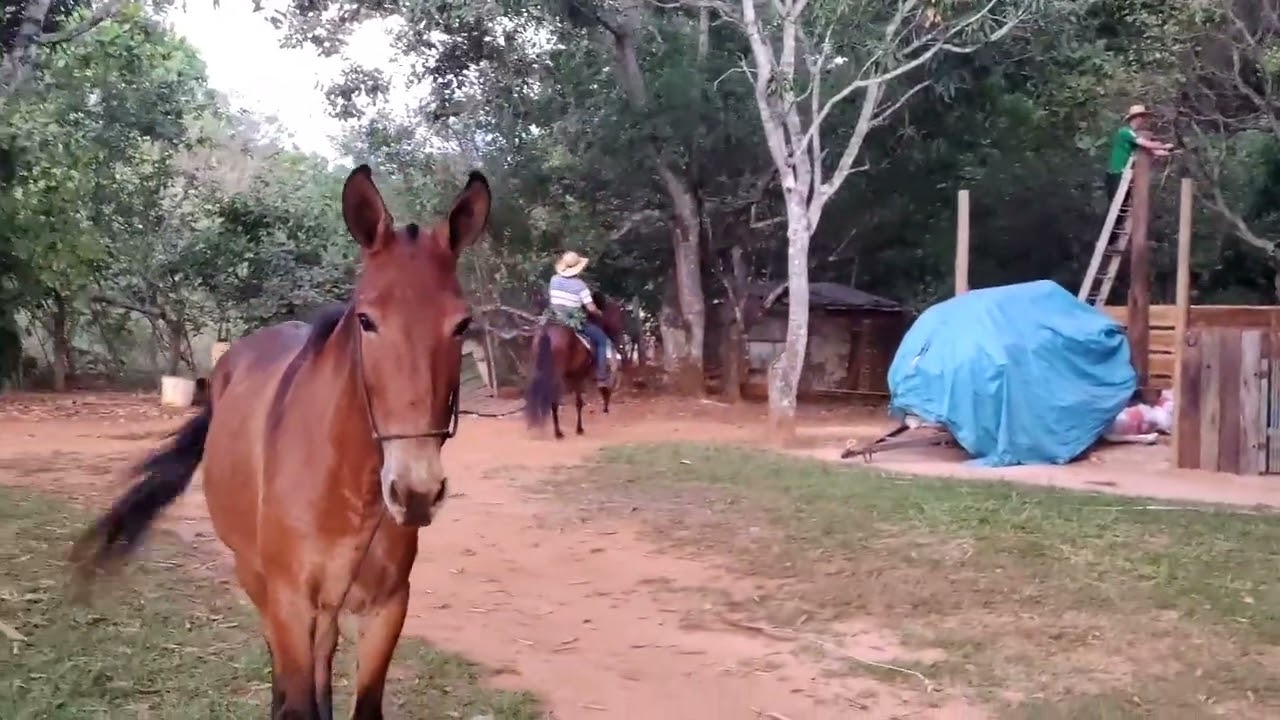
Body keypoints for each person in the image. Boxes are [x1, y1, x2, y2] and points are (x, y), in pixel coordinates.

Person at [547, 250, 612, 388]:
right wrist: (599, 313)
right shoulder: (580, 285)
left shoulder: (554, 279)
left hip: (554, 318)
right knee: (602, 340)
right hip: (574, 322)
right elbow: (590, 308)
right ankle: (601, 377)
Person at [1105, 104, 1174, 207]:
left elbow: (1152, 151)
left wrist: (1169, 152)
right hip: (1117, 172)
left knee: (1123, 204)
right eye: (1142, 117)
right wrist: (1164, 146)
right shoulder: (1126, 132)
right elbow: (1147, 144)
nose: (1144, 120)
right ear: (1137, 118)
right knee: (1116, 205)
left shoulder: (1133, 135)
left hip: (1123, 173)